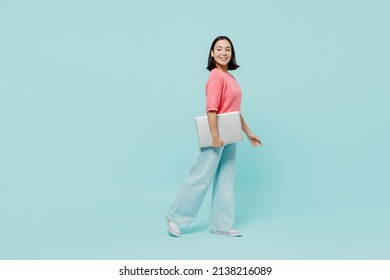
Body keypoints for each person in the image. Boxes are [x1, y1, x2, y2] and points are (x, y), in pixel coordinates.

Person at [166, 35, 262, 237]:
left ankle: (221, 224)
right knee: (201, 175)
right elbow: (211, 109)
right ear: (212, 53)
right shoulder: (216, 76)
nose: (223, 52)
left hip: (231, 132)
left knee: (226, 178)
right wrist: (215, 136)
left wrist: (248, 132)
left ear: (232, 53)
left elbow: (234, 110)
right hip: (217, 134)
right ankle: (175, 217)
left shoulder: (230, 77)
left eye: (227, 49)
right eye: (219, 49)